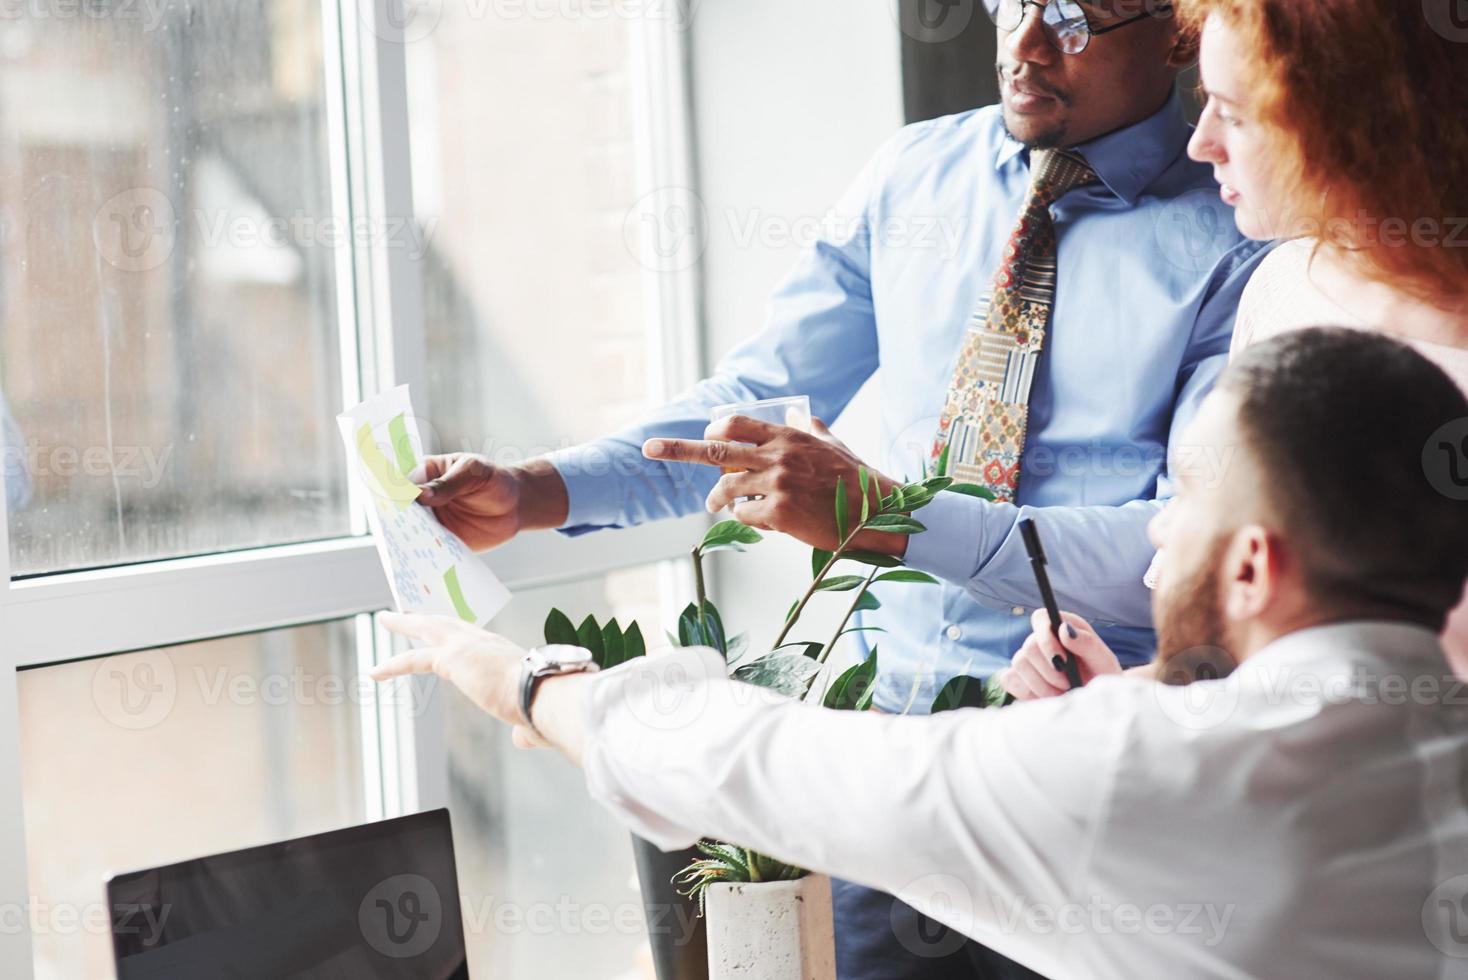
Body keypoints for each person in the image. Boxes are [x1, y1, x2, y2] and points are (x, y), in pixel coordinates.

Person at [414, 2, 1264, 970]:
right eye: (1011, 2)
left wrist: (886, 518)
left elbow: (1182, 549)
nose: (1024, 46)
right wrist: (536, 490)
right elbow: (757, 398)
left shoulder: (1245, 228)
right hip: (879, 749)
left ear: (1181, 31)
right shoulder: (914, 173)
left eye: (1074, 17)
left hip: (1094, 757)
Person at [375, 327, 1468, 977]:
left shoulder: (1169, 766)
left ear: (1251, 568)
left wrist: (528, 681)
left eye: (1179, 499)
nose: (1151, 529)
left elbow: (772, 766)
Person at [1179, 0, 1468, 673]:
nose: (1200, 143)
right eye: (1204, 100)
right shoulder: (1284, 286)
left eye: (1237, 113)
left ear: (1359, 128)